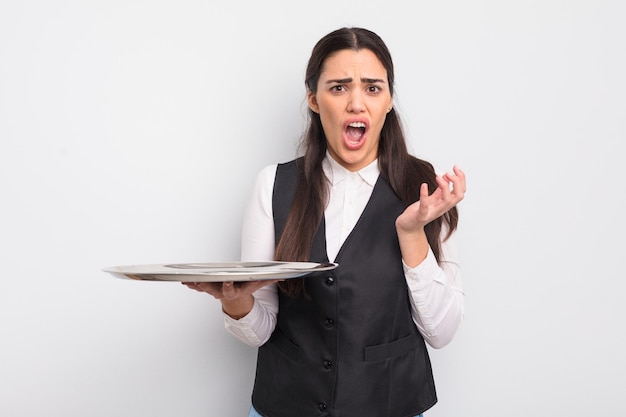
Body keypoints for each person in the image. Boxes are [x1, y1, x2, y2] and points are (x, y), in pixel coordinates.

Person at [184, 27, 466, 417]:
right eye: (338, 88)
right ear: (314, 100)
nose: (356, 103)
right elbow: (261, 329)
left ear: (388, 101)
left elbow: (442, 332)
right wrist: (237, 301)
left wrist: (412, 232)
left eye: (372, 88)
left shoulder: (425, 188)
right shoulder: (273, 184)